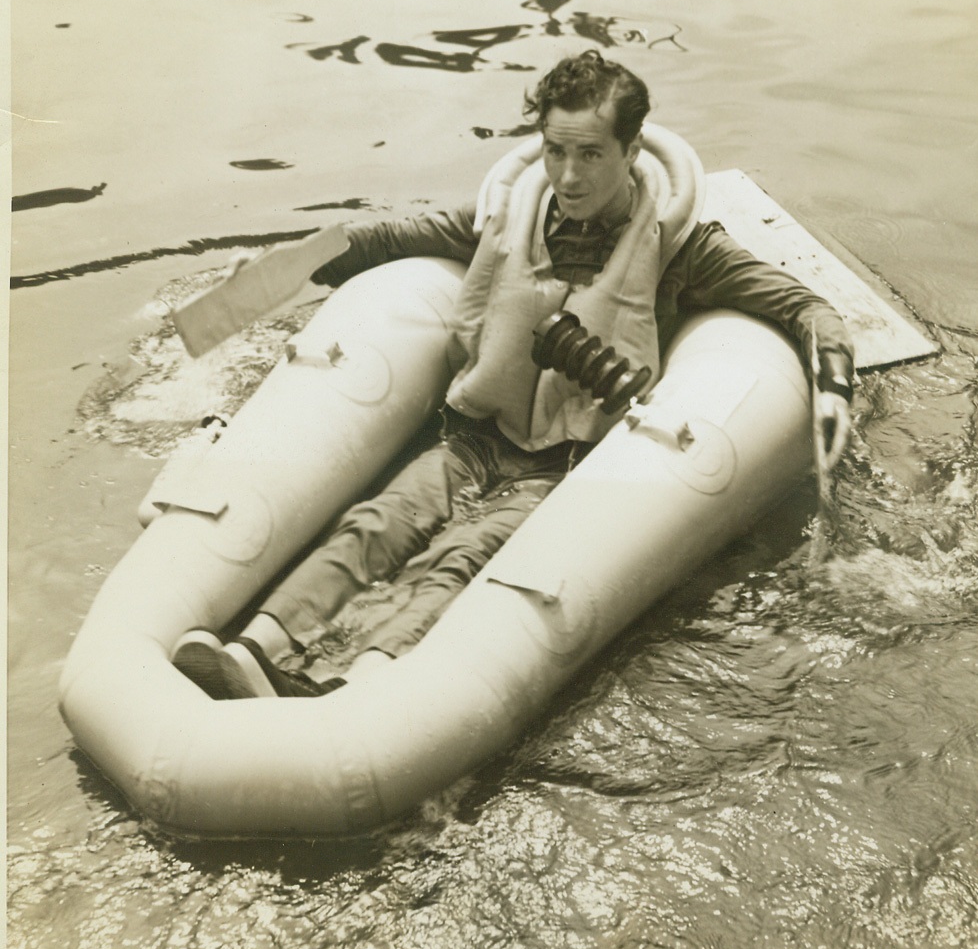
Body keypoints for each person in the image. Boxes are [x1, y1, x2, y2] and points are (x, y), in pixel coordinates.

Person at [172, 50, 854, 700]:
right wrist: (284, 267)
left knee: (467, 554)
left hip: (566, 464)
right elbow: (392, 237)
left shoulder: (681, 247)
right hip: (476, 437)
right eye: (555, 152)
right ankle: (257, 648)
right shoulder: (510, 218)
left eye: (591, 155)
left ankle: (362, 686)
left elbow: (803, 305)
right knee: (374, 523)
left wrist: (831, 382)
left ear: (631, 152)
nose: (568, 176)